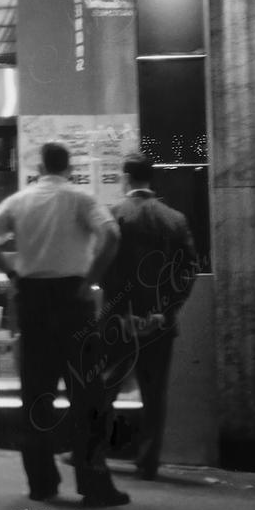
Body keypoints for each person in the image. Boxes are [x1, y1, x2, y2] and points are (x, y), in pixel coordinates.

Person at [0, 142, 128, 507]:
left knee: (36, 395)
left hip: (33, 299)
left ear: (41, 167)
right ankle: (94, 484)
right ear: (68, 166)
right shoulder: (80, 199)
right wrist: (91, 278)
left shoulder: (20, 201)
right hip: (73, 301)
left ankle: (42, 483)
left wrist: (11, 271)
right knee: (85, 395)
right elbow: (112, 236)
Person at [100, 152, 199, 480]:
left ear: (126, 177)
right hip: (159, 324)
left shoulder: (114, 215)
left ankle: (91, 450)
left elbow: (107, 269)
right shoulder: (175, 219)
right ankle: (148, 461)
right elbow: (189, 269)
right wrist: (165, 311)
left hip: (121, 322)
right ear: (150, 178)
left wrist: (121, 310)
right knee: (154, 394)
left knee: (105, 386)